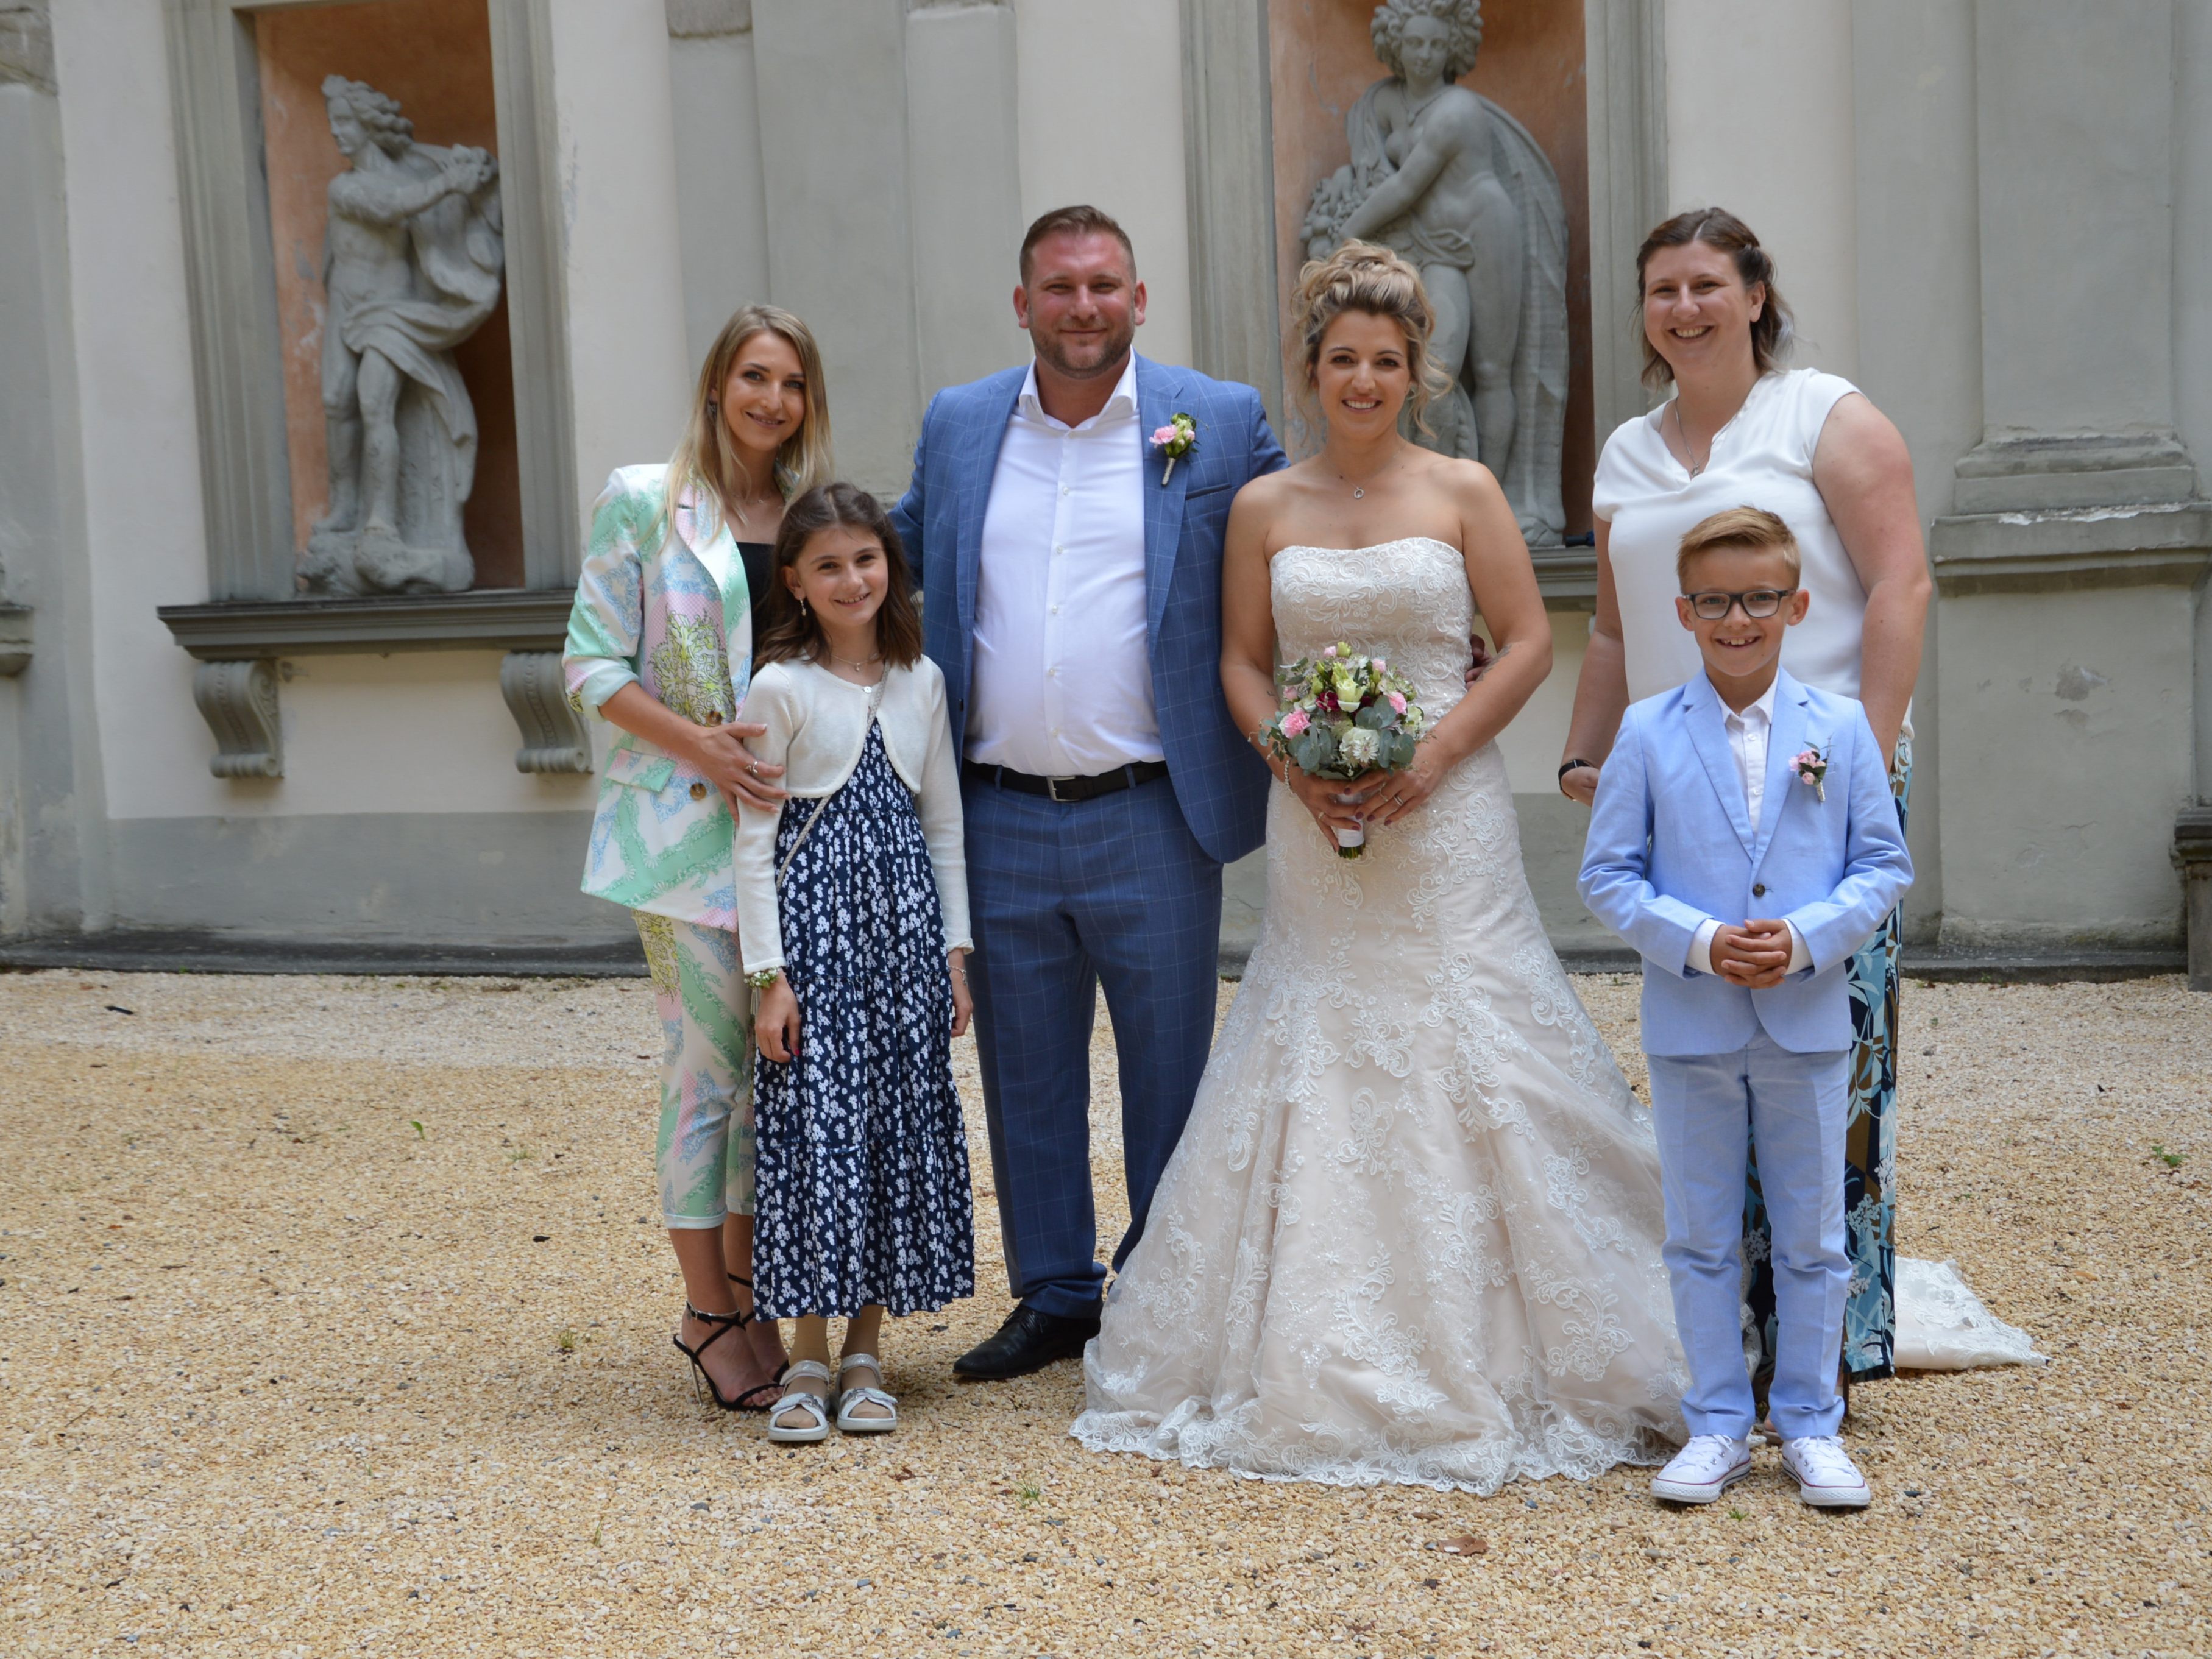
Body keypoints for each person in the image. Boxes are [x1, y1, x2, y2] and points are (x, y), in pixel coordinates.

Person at [1072, 242, 1686, 1492]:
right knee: (1314, 1033)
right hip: (1318, 819)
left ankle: (1538, 1336)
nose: (1364, 378)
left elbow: (1520, 644)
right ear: (1310, 371)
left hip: (1445, 816)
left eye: (1386, 361)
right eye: (1342, 358)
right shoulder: (1263, 506)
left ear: (1419, 374)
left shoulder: (1460, 491)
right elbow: (1243, 660)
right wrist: (1289, 763)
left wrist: (1439, 754)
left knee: (1476, 1031)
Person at [888, 205, 1288, 1382]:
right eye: (1057, 287)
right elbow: (891, 560)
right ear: (1022, 304)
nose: (1081, 306)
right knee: (1025, 1070)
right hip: (997, 805)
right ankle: (1055, 1291)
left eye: (1103, 285)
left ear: (1139, 298)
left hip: (1154, 810)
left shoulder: (1211, 419)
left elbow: (1301, 554)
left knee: (1171, 1068)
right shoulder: (960, 425)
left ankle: (1162, 1296)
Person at [1558, 207, 1931, 1391]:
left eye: (1708, 284)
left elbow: (1902, 585)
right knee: (1715, 1053)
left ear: (1757, 295)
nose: (1684, 308)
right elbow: (1618, 631)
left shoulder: (1824, 415)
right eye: (1662, 289)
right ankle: (1739, 1335)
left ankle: (1841, 1338)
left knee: (1834, 1064)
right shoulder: (1625, 452)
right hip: (1681, 788)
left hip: (1820, 776)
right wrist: (1586, 756)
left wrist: (1857, 758)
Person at [1578, 506, 1913, 1507]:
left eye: (1759, 598)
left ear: (1795, 605)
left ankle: (1810, 1422)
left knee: (1812, 1236)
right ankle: (1717, 1421)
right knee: (1699, 1233)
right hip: (1693, 1021)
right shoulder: (1644, 731)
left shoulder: (1839, 728)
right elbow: (1609, 877)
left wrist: (1807, 939)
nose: (1738, 618)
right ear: (1683, 612)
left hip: (1806, 1016)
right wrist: (1699, 942)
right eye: (1716, 601)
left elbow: (1880, 864)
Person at [561, 305, 833, 1412]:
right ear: (717, 383)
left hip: (786, 834)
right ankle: (706, 1313)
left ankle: (751, 1295)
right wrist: (703, 751)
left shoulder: (810, 513)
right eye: (755, 377)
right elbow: (587, 666)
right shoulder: (642, 498)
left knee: (769, 1080)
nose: (773, 400)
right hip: (678, 839)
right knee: (704, 1076)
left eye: (794, 384)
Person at [733, 484, 974, 1441]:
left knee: (889, 1134)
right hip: (816, 948)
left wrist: (954, 953)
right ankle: (803, 1356)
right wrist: (769, 977)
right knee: (813, 1137)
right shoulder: (780, 687)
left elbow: (943, 823)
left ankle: (866, 1352)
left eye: (864, 560)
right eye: (827, 565)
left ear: (890, 567)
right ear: (794, 581)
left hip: (905, 940)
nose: (850, 579)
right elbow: (753, 845)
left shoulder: (923, 681)